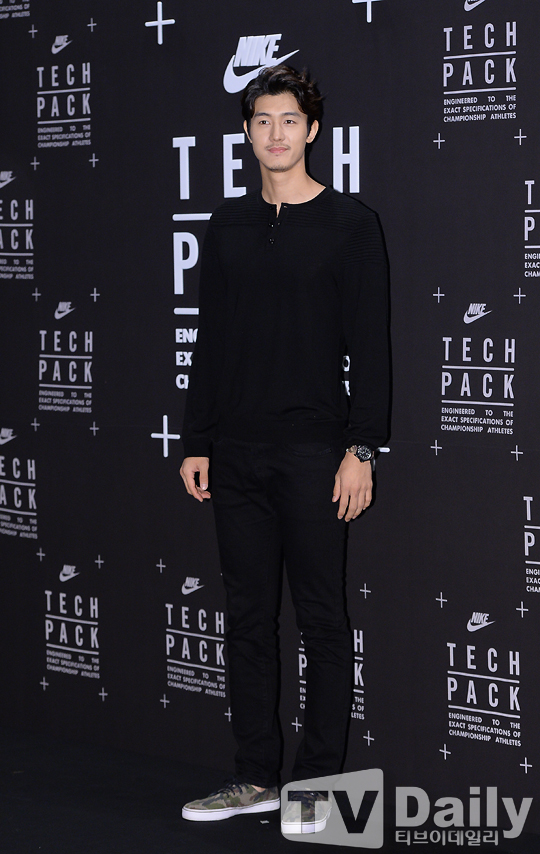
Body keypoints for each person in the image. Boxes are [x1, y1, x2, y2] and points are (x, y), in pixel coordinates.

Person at [179, 64, 390, 832]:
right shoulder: (227, 224)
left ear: (313, 131)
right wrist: (197, 438)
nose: (276, 134)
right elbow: (210, 342)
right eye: (263, 120)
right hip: (235, 455)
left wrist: (362, 449)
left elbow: (372, 347)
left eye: (289, 120)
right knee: (247, 621)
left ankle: (320, 793)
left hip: (313, 455)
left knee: (323, 622)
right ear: (247, 132)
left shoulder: (351, 224)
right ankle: (253, 778)